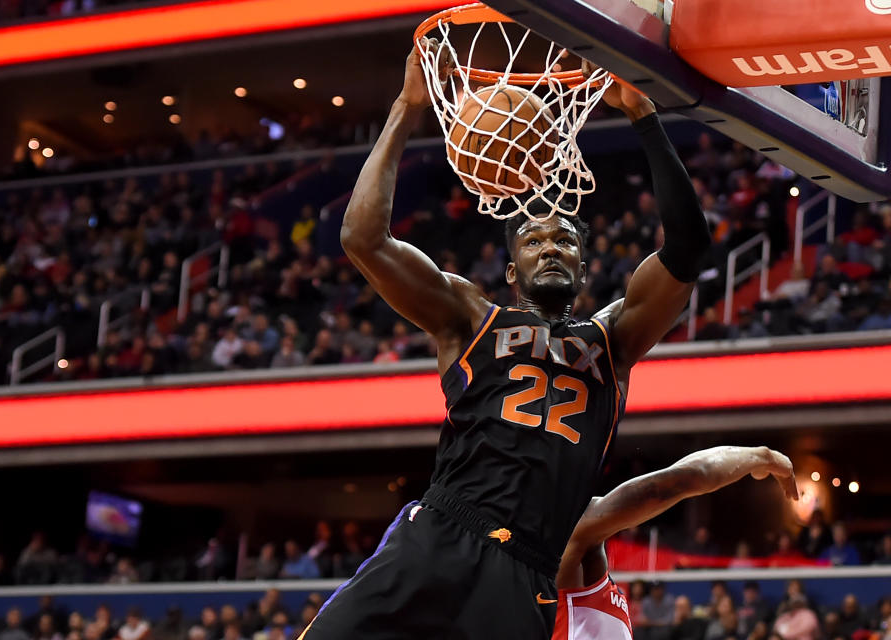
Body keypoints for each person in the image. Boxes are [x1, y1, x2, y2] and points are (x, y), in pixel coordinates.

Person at [302, 41, 711, 640]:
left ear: (583, 270)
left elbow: (688, 249)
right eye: (536, 240)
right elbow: (364, 239)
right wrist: (405, 108)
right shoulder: (470, 316)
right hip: (438, 533)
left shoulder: (615, 337)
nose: (552, 247)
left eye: (566, 241)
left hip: (526, 567)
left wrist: (643, 116)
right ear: (512, 271)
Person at [552, 446, 796, 640]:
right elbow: (683, 479)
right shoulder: (570, 535)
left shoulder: (571, 536)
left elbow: (683, 478)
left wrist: (763, 456)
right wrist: (764, 457)